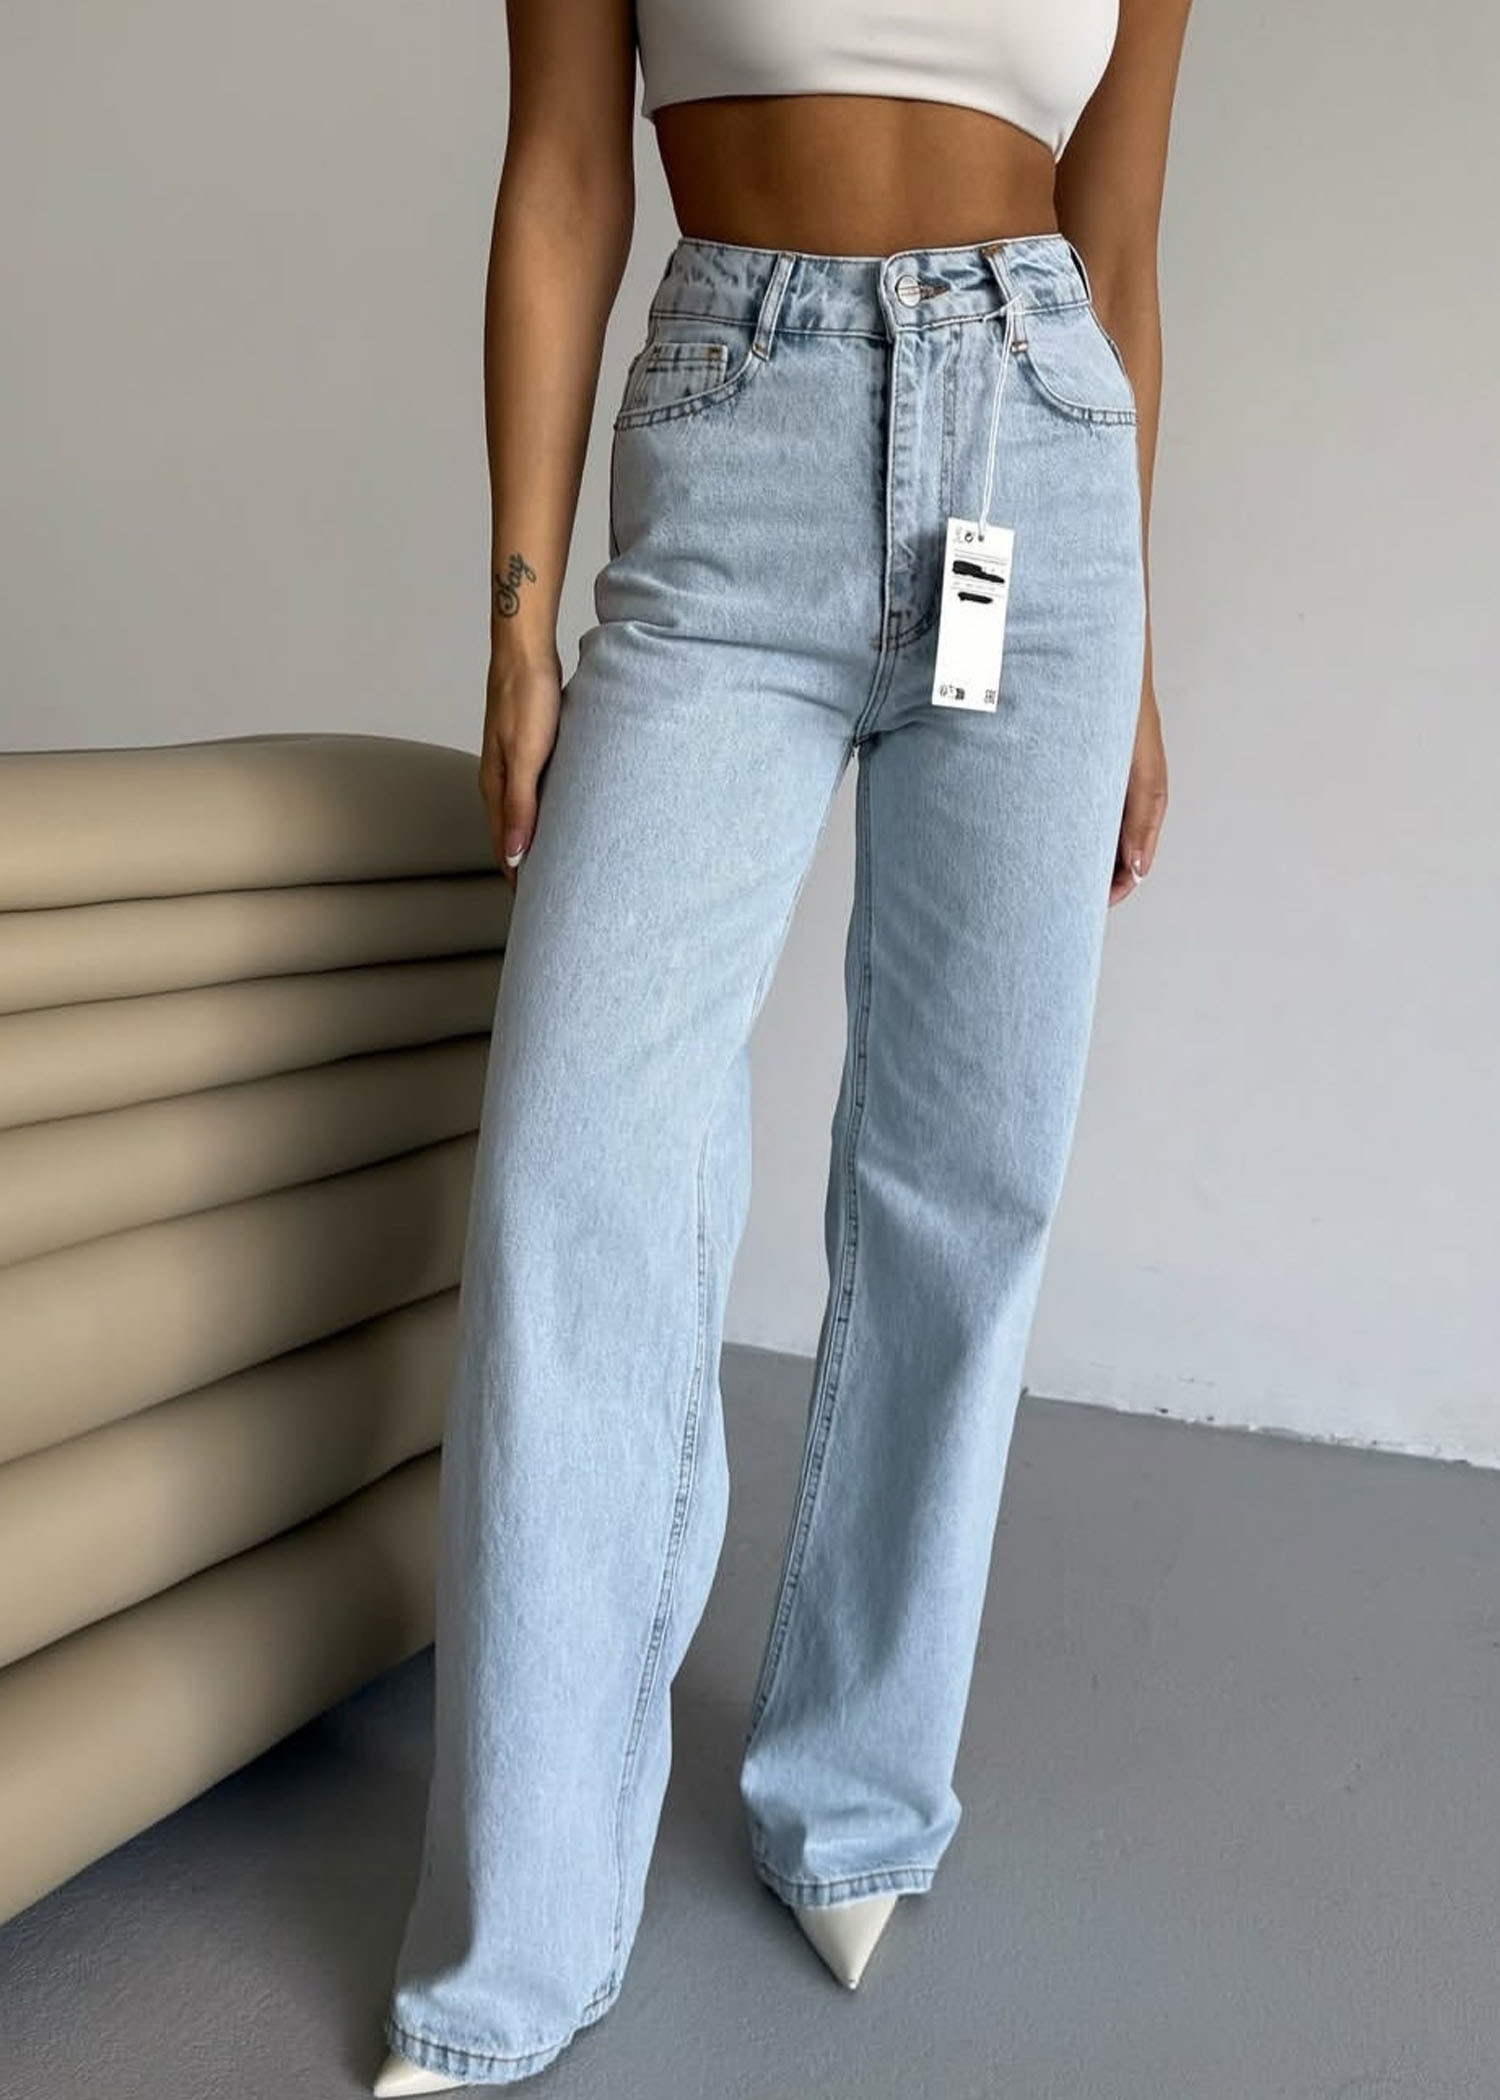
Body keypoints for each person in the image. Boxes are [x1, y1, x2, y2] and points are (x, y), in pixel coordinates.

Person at [376, 0, 1196, 2087]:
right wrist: (518, 615)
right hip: (739, 431)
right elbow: (567, 171)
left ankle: (856, 1794)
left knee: (965, 1178)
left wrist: (1136, 657)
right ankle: (516, 1944)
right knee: (578, 1174)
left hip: (1045, 467)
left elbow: (1116, 237)